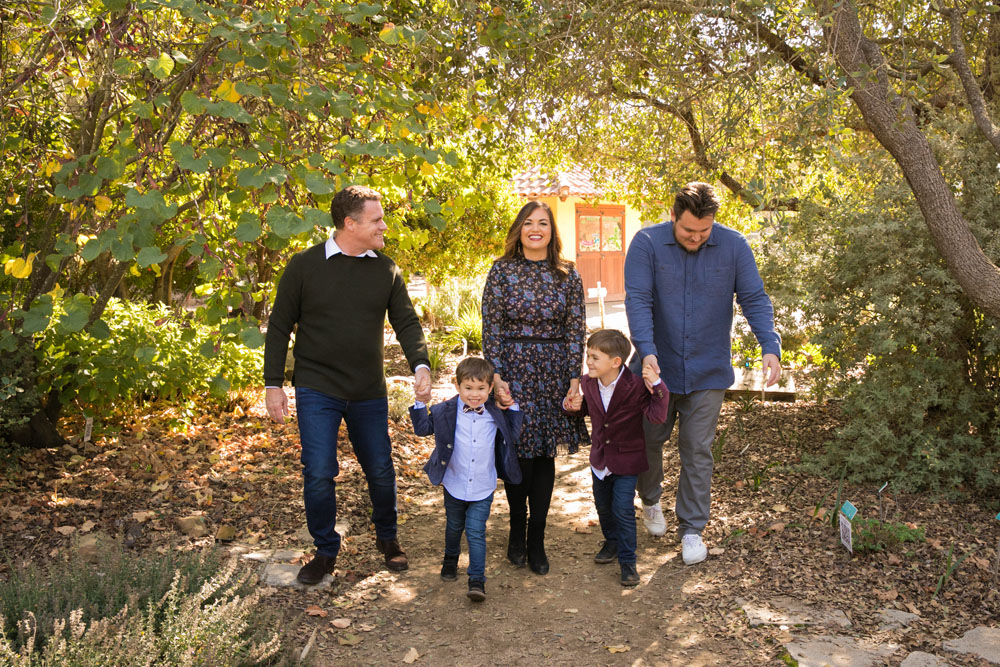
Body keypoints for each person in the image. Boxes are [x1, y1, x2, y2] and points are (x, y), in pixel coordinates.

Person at [263, 185, 432, 585]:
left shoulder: (385, 269)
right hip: (316, 387)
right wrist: (273, 384)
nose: (384, 226)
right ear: (349, 223)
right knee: (319, 471)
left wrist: (421, 364)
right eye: (376, 220)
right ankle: (325, 551)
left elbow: (406, 321)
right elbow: (279, 326)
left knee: (380, 468)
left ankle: (388, 539)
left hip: (368, 390)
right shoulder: (305, 266)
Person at [624, 181, 781, 565]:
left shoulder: (734, 246)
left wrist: (769, 346)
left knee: (697, 450)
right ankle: (650, 499)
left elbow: (754, 298)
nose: (695, 237)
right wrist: (647, 353)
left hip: (708, 370)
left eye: (703, 231)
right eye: (688, 230)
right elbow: (638, 301)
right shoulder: (646, 244)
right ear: (673, 216)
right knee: (648, 441)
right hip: (655, 369)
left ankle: (692, 530)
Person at [482, 200, 588, 575]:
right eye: (528, 223)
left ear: (551, 231)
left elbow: (576, 328)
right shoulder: (502, 272)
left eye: (543, 223)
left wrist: (574, 379)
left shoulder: (567, 275)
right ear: (519, 230)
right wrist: (495, 376)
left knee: (544, 457)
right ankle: (516, 529)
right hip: (512, 370)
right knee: (518, 454)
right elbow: (491, 326)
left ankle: (537, 539)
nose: (535, 229)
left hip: (553, 372)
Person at [409, 357, 523, 601]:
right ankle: (450, 558)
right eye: (468, 388)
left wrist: (511, 405)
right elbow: (422, 429)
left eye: (481, 388)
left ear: (490, 389)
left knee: (476, 531)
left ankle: (477, 580)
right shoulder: (444, 411)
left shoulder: (495, 413)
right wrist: (420, 401)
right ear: (458, 386)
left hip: (483, 485)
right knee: (453, 526)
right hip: (454, 483)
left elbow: (513, 434)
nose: (475, 395)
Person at [562, 329, 669, 586]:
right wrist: (575, 407)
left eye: (595, 357)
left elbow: (657, 415)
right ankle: (611, 542)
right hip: (600, 458)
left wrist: (657, 385)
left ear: (615, 362)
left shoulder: (635, 386)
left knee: (622, 509)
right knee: (603, 507)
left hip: (627, 460)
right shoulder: (588, 382)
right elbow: (592, 410)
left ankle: (628, 563)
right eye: (588, 355)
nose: (588, 362)